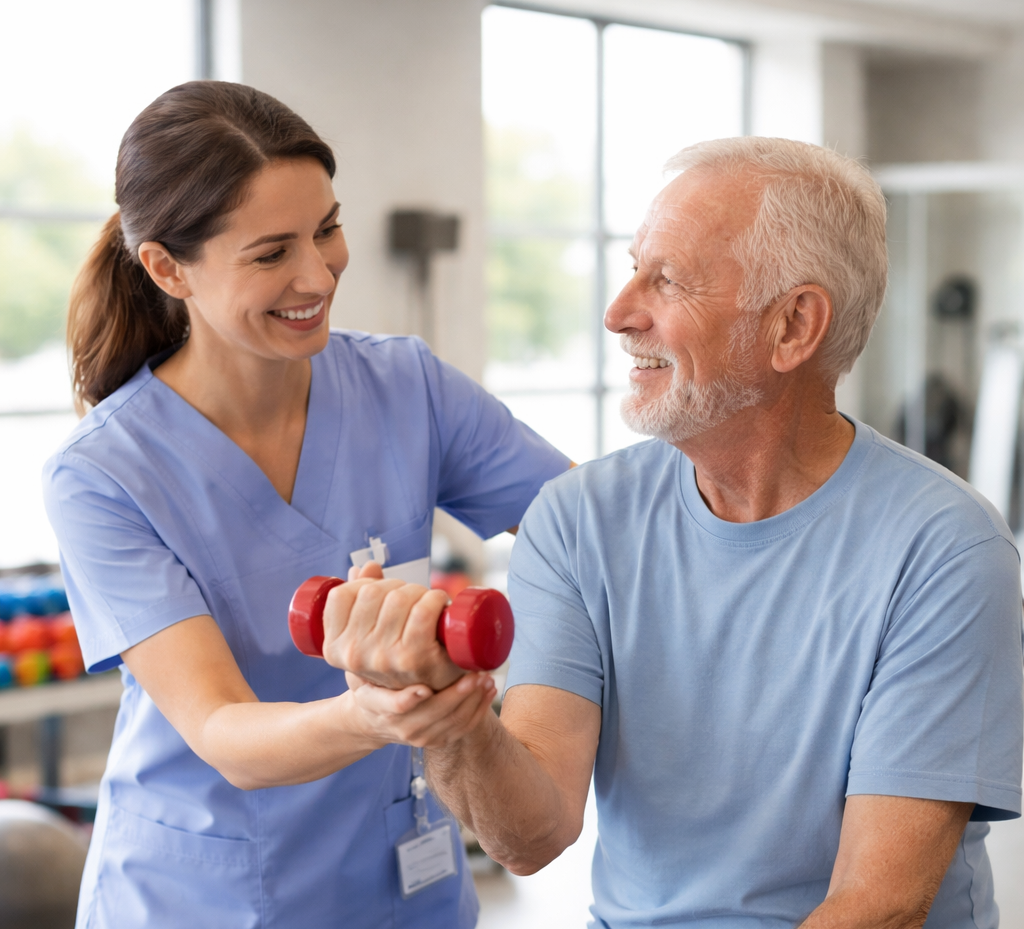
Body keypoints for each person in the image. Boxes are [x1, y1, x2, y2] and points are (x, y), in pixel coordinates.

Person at [329, 138, 1024, 929]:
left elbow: (879, 903)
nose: (619, 311)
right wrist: (447, 713)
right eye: (633, 268)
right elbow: (529, 834)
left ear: (793, 325)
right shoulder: (577, 517)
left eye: (667, 280)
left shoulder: (946, 549)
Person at [42, 81, 570, 929]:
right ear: (166, 267)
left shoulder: (407, 386)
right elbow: (223, 728)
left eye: (327, 228)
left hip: (407, 884)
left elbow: (589, 529)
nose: (318, 274)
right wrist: (379, 710)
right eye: (271, 252)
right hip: (209, 898)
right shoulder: (105, 471)